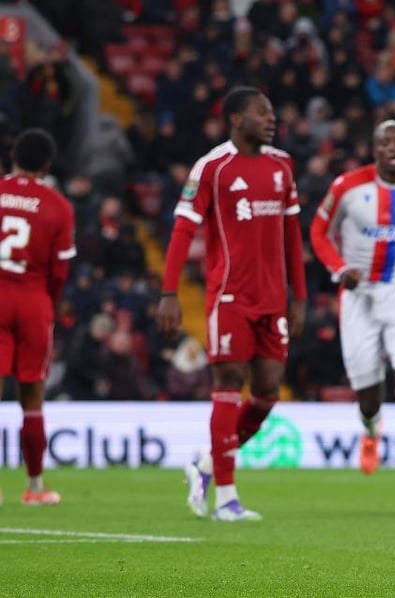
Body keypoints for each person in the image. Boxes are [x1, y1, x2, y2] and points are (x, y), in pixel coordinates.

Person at [158, 86, 307, 521]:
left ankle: (204, 465)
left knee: (266, 391)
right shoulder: (212, 168)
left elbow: (291, 236)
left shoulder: (283, 165)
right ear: (236, 120)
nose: (272, 119)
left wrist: (298, 296)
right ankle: (226, 497)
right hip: (229, 297)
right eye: (263, 112)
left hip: (273, 299)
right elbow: (183, 229)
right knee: (229, 381)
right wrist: (170, 292)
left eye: (273, 111)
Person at [309, 120, 395, 513]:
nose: (392, 147)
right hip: (358, 298)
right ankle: (371, 430)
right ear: (374, 150)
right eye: (384, 141)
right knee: (369, 399)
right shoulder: (346, 188)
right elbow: (319, 233)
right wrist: (340, 270)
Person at [0, 128, 75, 507]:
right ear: (46, 165)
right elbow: (60, 272)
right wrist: (50, 303)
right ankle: (35, 487)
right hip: (33, 302)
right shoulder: (58, 206)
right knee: (32, 399)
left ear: (13, 154)